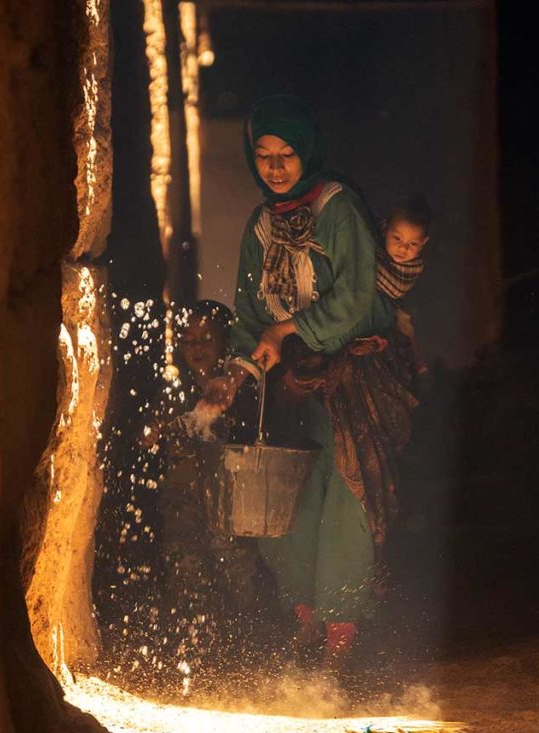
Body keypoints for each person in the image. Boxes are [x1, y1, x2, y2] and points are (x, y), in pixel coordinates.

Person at [200, 95, 416, 672]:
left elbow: (352, 300)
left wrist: (288, 328)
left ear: (308, 153)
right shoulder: (260, 223)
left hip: (354, 382)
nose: (275, 167)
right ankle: (306, 627)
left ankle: (340, 644)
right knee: (286, 504)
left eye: (287, 154)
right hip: (294, 386)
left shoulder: (337, 208)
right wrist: (238, 372)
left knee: (346, 502)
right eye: (264, 155)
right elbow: (249, 315)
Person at [145, 300, 261, 667]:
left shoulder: (237, 390)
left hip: (229, 503)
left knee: (234, 570)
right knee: (186, 569)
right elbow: (152, 429)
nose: (196, 348)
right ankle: (197, 657)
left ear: (225, 341)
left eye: (206, 339)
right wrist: (152, 431)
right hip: (182, 500)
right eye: (188, 339)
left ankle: (243, 656)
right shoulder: (172, 389)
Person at [375, 194, 432, 381]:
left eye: (412, 243)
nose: (403, 248)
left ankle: (417, 364)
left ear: (423, 244)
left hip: (392, 315)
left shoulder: (410, 269)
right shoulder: (373, 244)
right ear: (385, 229)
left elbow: (394, 288)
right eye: (397, 238)